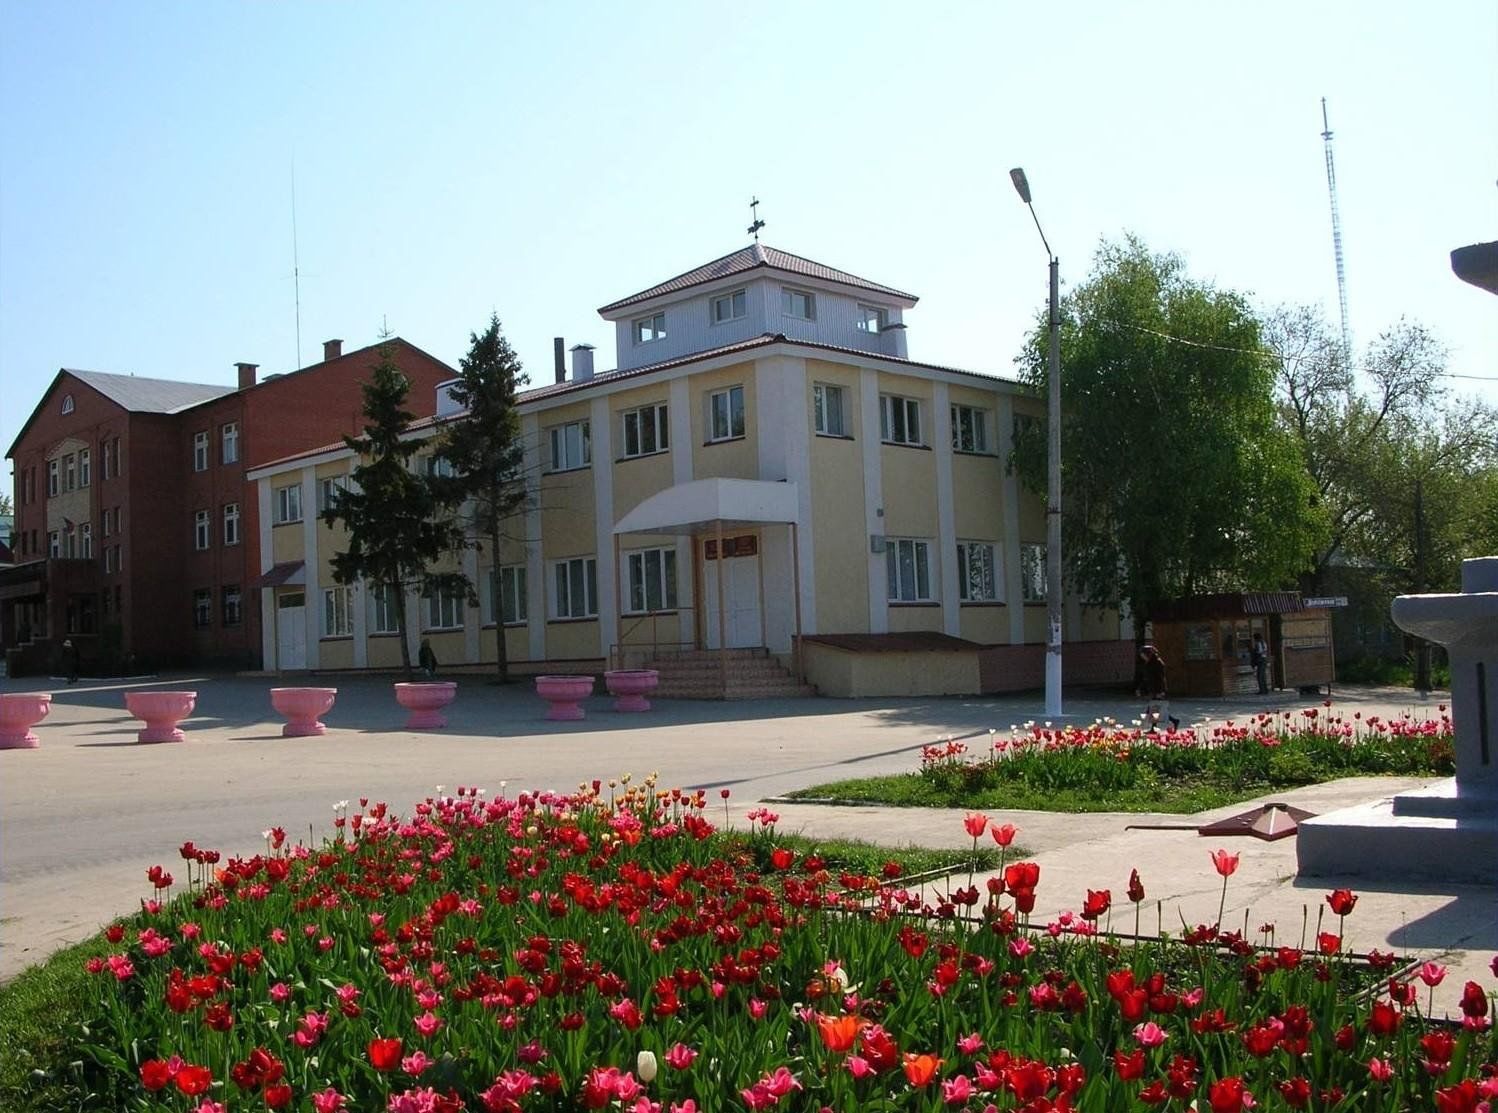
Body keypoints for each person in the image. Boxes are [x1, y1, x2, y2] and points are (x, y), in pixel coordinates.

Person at [1134, 644, 1178, 731]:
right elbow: (1146, 678)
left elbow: (1161, 678)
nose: (1142, 657)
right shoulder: (1148, 663)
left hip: (1158, 689)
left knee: (1154, 709)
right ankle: (1158, 726)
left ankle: (1154, 727)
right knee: (1155, 710)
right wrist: (1140, 688)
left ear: (1148, 654)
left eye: (1143, 655)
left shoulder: (1158, 663)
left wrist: (1161, 691)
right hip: (1153, 689)